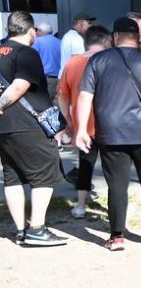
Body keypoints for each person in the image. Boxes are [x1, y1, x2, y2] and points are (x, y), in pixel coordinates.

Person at [75, 17, 141, 251]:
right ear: (138, 37)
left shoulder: (98, 60)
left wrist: (81, 129)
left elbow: (85, 96)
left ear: (115, 36)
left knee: (117, 184)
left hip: (111, 133)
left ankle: (116, 236)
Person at [0, 11, 66, 246]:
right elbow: (20, 86)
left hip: (4, 127)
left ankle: (21, 231)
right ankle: (37, 228)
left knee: (12, 176)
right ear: (31, 31)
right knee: (44, 172)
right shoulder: (27, 53)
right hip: (28, 124)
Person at [58, 24, 112, 218]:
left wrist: (69, 120)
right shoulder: (111, 61)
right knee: (113, 167)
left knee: (85, 165)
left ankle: (80, 205)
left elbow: (62, 96)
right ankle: (115, 207)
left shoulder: (72, 63)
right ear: (107, 41)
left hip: (83, 125)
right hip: (110, 124)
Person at [31, 20, 60, 102]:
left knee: (42, 104)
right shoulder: (60, 42)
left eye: (37, 30)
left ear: (40, 31)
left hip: (45, 79)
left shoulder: (37, 41)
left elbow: (32, 59)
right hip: (58, 79)